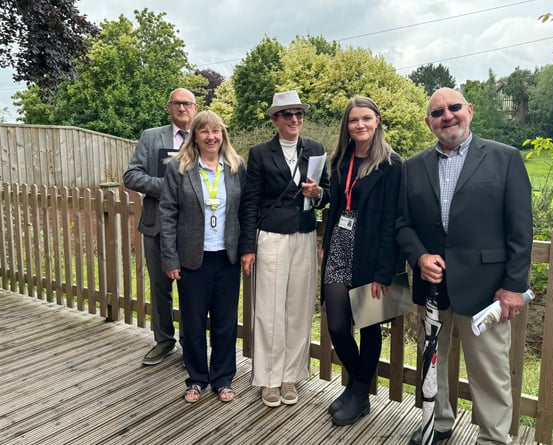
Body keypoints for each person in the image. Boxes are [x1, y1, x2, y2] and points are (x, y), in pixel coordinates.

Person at [395, 87, 533, 444]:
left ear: (469, 110)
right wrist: (419, 256)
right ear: (428, 123)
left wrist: (514, 286)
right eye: (438, 113)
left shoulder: (505, 159)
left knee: (489, 371)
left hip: (486, 289)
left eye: (454, 108)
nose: (447, 116)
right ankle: (439, 423)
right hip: (433, 288)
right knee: (433, 363)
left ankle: (492, 437)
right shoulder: (412, 167)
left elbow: (521, 230)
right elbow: (402, 224)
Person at [239, 90, 330, 408]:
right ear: (274, 118)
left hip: (304, 236)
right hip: (272, 237)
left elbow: (327, 193)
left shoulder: (315, 149)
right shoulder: (260, 153)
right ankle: (268, 378)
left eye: (299, 114)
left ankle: (290, 376)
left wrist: (318, 192)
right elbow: (250, 202)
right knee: (269, 309)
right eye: (287, 114)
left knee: (298, 309)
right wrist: (247, 247)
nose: (294, 119)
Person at [321, 96, 403, 426]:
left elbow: (394, 221)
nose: (360, 125)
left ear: (377, 121)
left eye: (366, 119)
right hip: (340, 246)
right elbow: (336, 206)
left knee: (370, 327)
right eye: (354, 120)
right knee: (338, 326)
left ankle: (358, 394)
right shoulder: (341, 160)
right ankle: (359, 386)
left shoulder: (393, 164)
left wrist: (385, 271)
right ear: (347, 126)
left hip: (374, 251)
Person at [160, 110, 246, 403]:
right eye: (204, 131)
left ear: (223, 135)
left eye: (216, 131)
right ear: (194, 137)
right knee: (194, 323)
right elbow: (168, 214)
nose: (211, 137)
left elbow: (246, 213)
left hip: (227, 258)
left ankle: (223, 379)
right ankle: (196, 378)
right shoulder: (179, 168)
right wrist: (170, 259)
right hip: (191, 259)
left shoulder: (236, 167)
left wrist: (248, 249)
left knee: (225, 323)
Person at [123, 88, 198, 365]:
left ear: (195, 107)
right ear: (169, 107)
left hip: (193, 230)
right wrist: (167, 187)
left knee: (192, 290)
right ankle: (163, 340)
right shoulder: (151, 137)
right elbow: (131, 175)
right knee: (160, 287)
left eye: (187, 104)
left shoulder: (205, 136)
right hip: (156, 226)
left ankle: (192, 345)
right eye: (177, 103)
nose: (182, 108)